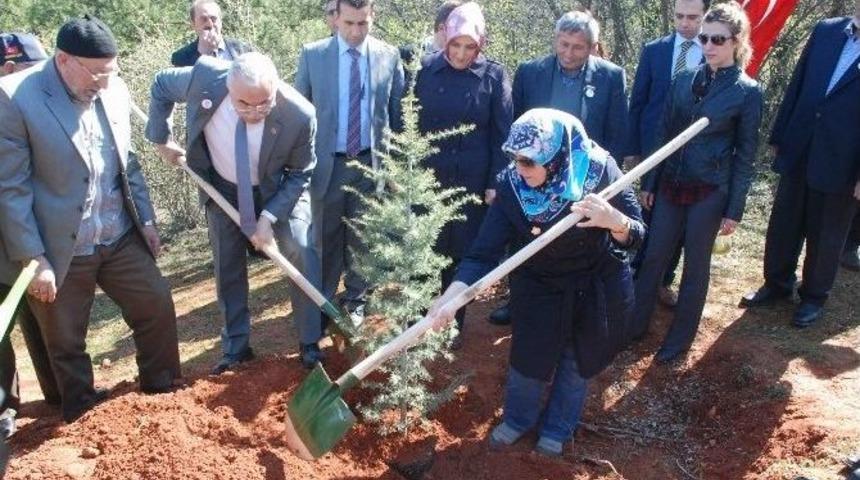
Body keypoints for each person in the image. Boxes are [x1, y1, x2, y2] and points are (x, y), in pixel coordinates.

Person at [430, 108, 645, 457]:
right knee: (529, 359)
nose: (520, 169)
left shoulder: (601, 170)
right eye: (515, 159)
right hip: (540, 282)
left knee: (577, 362)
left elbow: (638, 233)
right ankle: (518, 420)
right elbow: (482, 254)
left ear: (556, 155)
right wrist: (452, 297)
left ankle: (558, 429)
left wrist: (614, 220)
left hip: (596, 283)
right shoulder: (511, 187)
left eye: (529, 162)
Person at [0, 15, 182, 422]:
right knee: (65, 342)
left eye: (110, 72)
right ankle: (82, 419)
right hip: (59, 248)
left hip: (118, 235)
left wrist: (148, 223)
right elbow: (10, 189)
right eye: (97, 73)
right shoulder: (14, 98)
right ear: (64, 60)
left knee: (154, 304)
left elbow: (127, 164)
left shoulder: (112, 89)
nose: (104, 83)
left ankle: (165, 397)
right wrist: (34, 259)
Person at [147, 53, 323, 371]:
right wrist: (161, 139)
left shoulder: (300, 114)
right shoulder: (203, 79)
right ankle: (236, 349)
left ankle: (309, 342)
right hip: (222, 188)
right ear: (228, 87)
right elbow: (160, 85)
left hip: (277, 190)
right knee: (227, 265)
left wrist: (268, 219)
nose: (254, 111)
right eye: (243, 104)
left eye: (264, 103)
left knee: (300, 247)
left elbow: (300, 173)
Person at [633, 2, 762, 362]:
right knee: (654, 255)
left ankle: (678, 342)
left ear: (736, 42)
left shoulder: (747, 92)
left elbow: (746, 156)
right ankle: (634, 326)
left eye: (717, 39)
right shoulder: (681, 81)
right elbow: (662, 135)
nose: (708, 46)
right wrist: (650, 183)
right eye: (704, 38)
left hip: (710, 190)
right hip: (671, 185)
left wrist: (734, 209)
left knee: (695, 267)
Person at [741, 0, 860, 327]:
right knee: (785, 222)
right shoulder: (826, 31)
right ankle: (777, 284)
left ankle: (813, 298)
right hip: (800, 144)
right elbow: (797, 83)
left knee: (827, 234)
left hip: (845, 160)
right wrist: (780, 135)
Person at [294, 0, 405, 326]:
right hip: (328, 166)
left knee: (363, 239)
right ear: (335, 19)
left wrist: (393, 169)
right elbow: (300, 115)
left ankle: (356, 302)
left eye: (363, 24)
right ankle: (323, 305)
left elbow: (396, 116)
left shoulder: (389, 56)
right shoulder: (313, 56)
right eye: (349, 24)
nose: (356, 32)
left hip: (371, 165)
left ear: (373, 17)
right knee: (324, 241)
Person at [414, 1, 512, 348]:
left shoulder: (494, 76)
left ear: (480, 44)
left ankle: (453, 322)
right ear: (446, 39)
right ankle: (418, 322)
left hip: (472, 179)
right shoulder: (424, 70)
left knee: (461, 252)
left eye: (469, 47)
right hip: (430, 176)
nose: (460, 53)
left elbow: (503, 134)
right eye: (455, 44)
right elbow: (407, 124)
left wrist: (494, 182)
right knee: (427, 246)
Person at [625, 0, 708, 308]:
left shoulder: (713, 51)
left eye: (693, 17)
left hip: (692, 151)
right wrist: (632, 148)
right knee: (647, 209)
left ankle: (663, 279)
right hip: (652, 146)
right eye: (680, 16)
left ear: (704, 17)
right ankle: (636, 275)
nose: (685, 23)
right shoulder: (655, 50)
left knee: (679, 216)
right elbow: (638, 101)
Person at [0, 31, 60, 440]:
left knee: (41, 310)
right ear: (8, 68)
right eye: (29, 70)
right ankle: (5, 406)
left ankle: (58, 390)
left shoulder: (31, 106)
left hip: (26, 230)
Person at [511, 10, 628, 160]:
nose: (568, 53)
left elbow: (617, 136)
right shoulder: (528, 73)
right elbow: (517, 126)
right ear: (556, 40)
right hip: (538, 168)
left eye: (577, 47)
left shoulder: (611, 77)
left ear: (592, 47)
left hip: (589, 168)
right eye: (564, 44)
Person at [170, 0, 255, 67]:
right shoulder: (181, 58)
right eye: (203, 19)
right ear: (193, 24)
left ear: (221, 22)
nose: (209, 24)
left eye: (213, 18)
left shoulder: (243, 50)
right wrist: (205, 53)